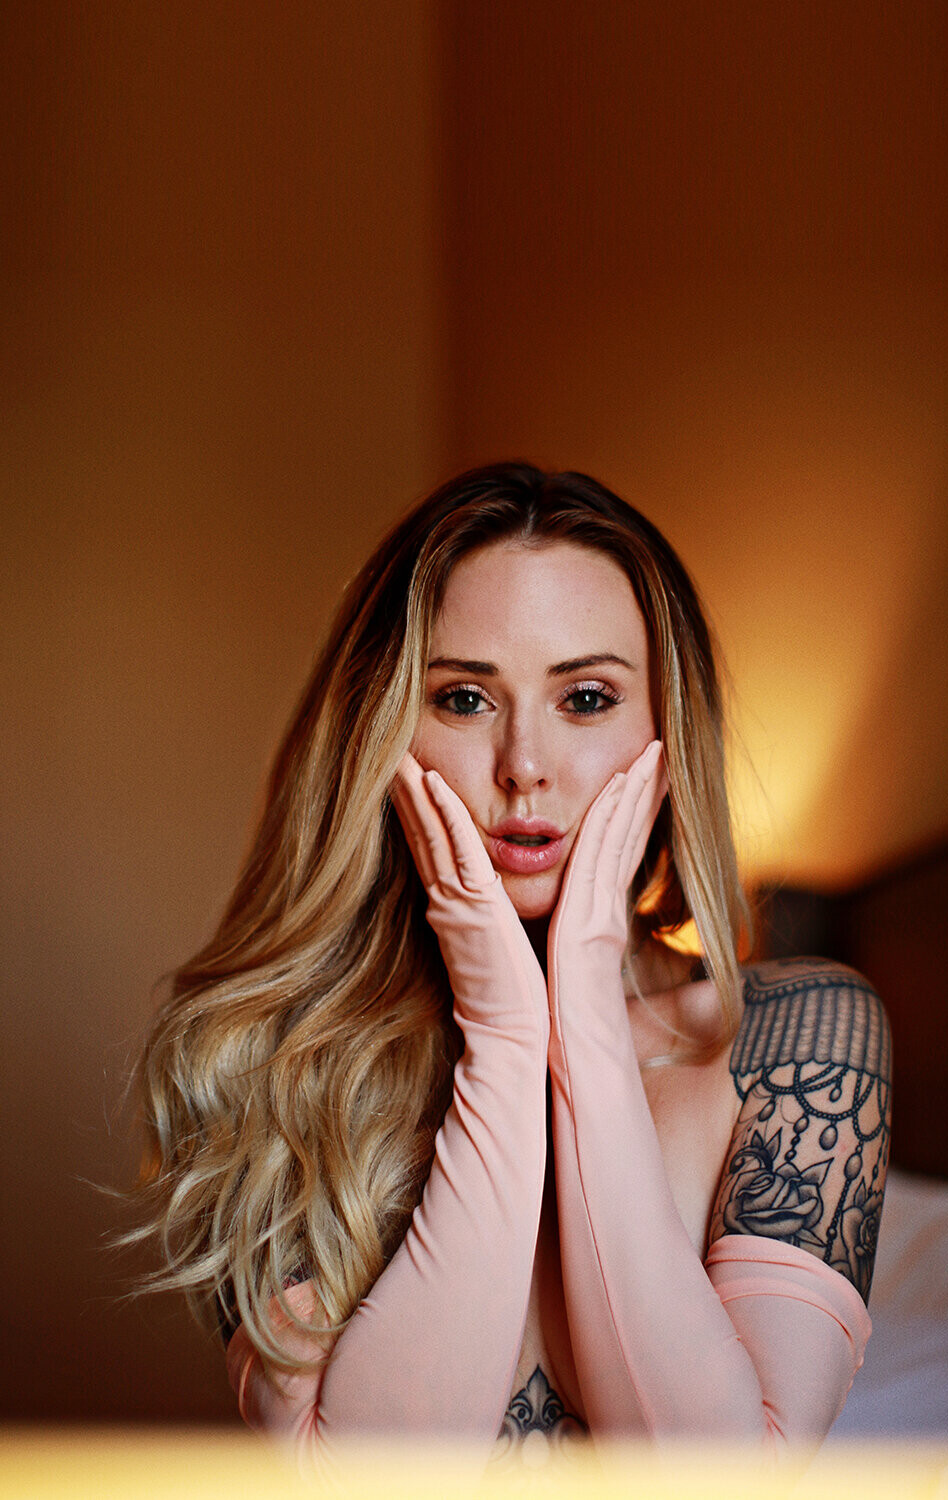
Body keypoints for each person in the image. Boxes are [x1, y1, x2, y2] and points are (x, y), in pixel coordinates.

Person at [129, 462, 891, 1467]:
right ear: (381, 734)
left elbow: (723, 1479)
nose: (523, 765)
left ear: (666, 732)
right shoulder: (266, 1052)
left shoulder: (799, 1034)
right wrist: (503, 1039)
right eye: (462, 698)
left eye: (586, 697)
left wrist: (585, 1009)